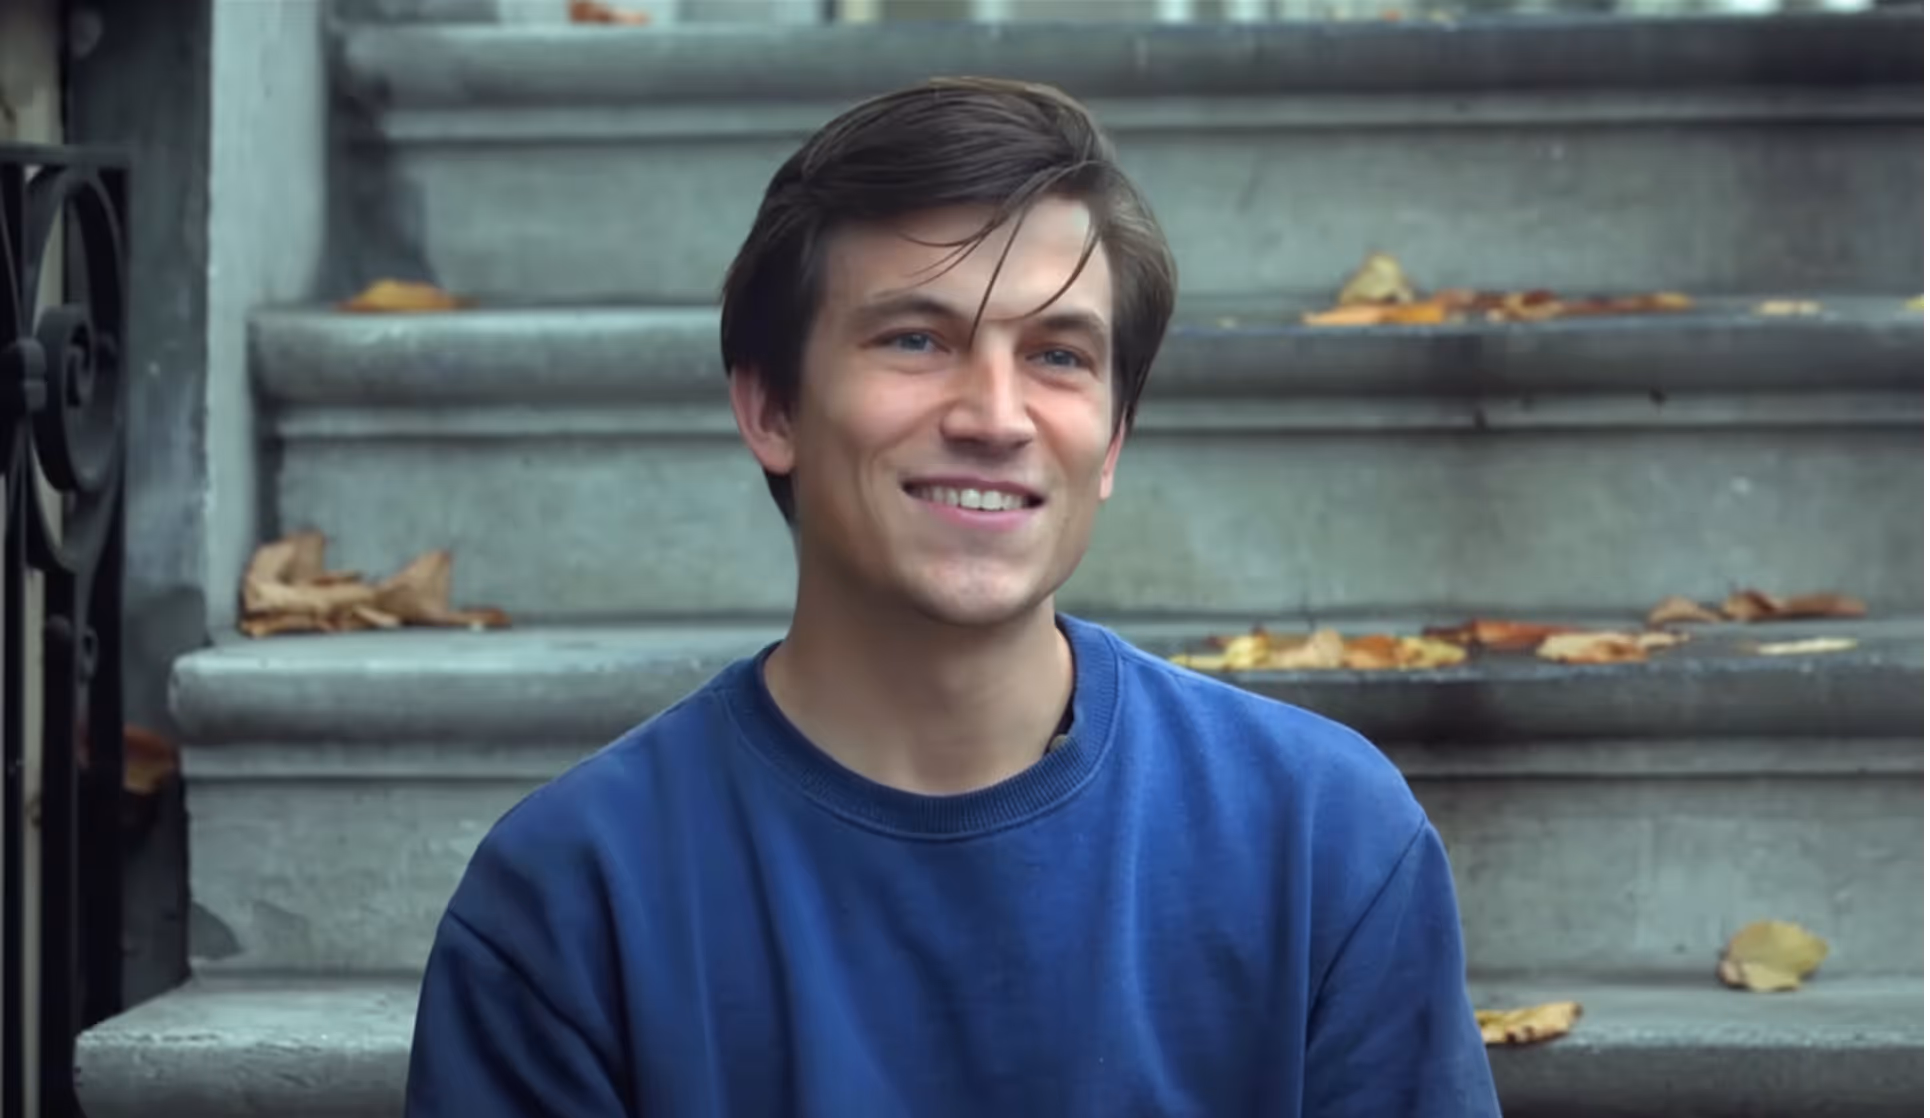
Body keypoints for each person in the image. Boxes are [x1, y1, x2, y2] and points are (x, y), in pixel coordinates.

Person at [405, 76, 1501, 1118]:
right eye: (917, 338)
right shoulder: (572, 897)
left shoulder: (1324, 840)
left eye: (1059, 356)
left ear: (1111, 439)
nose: (996, 413)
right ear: (772, 407)